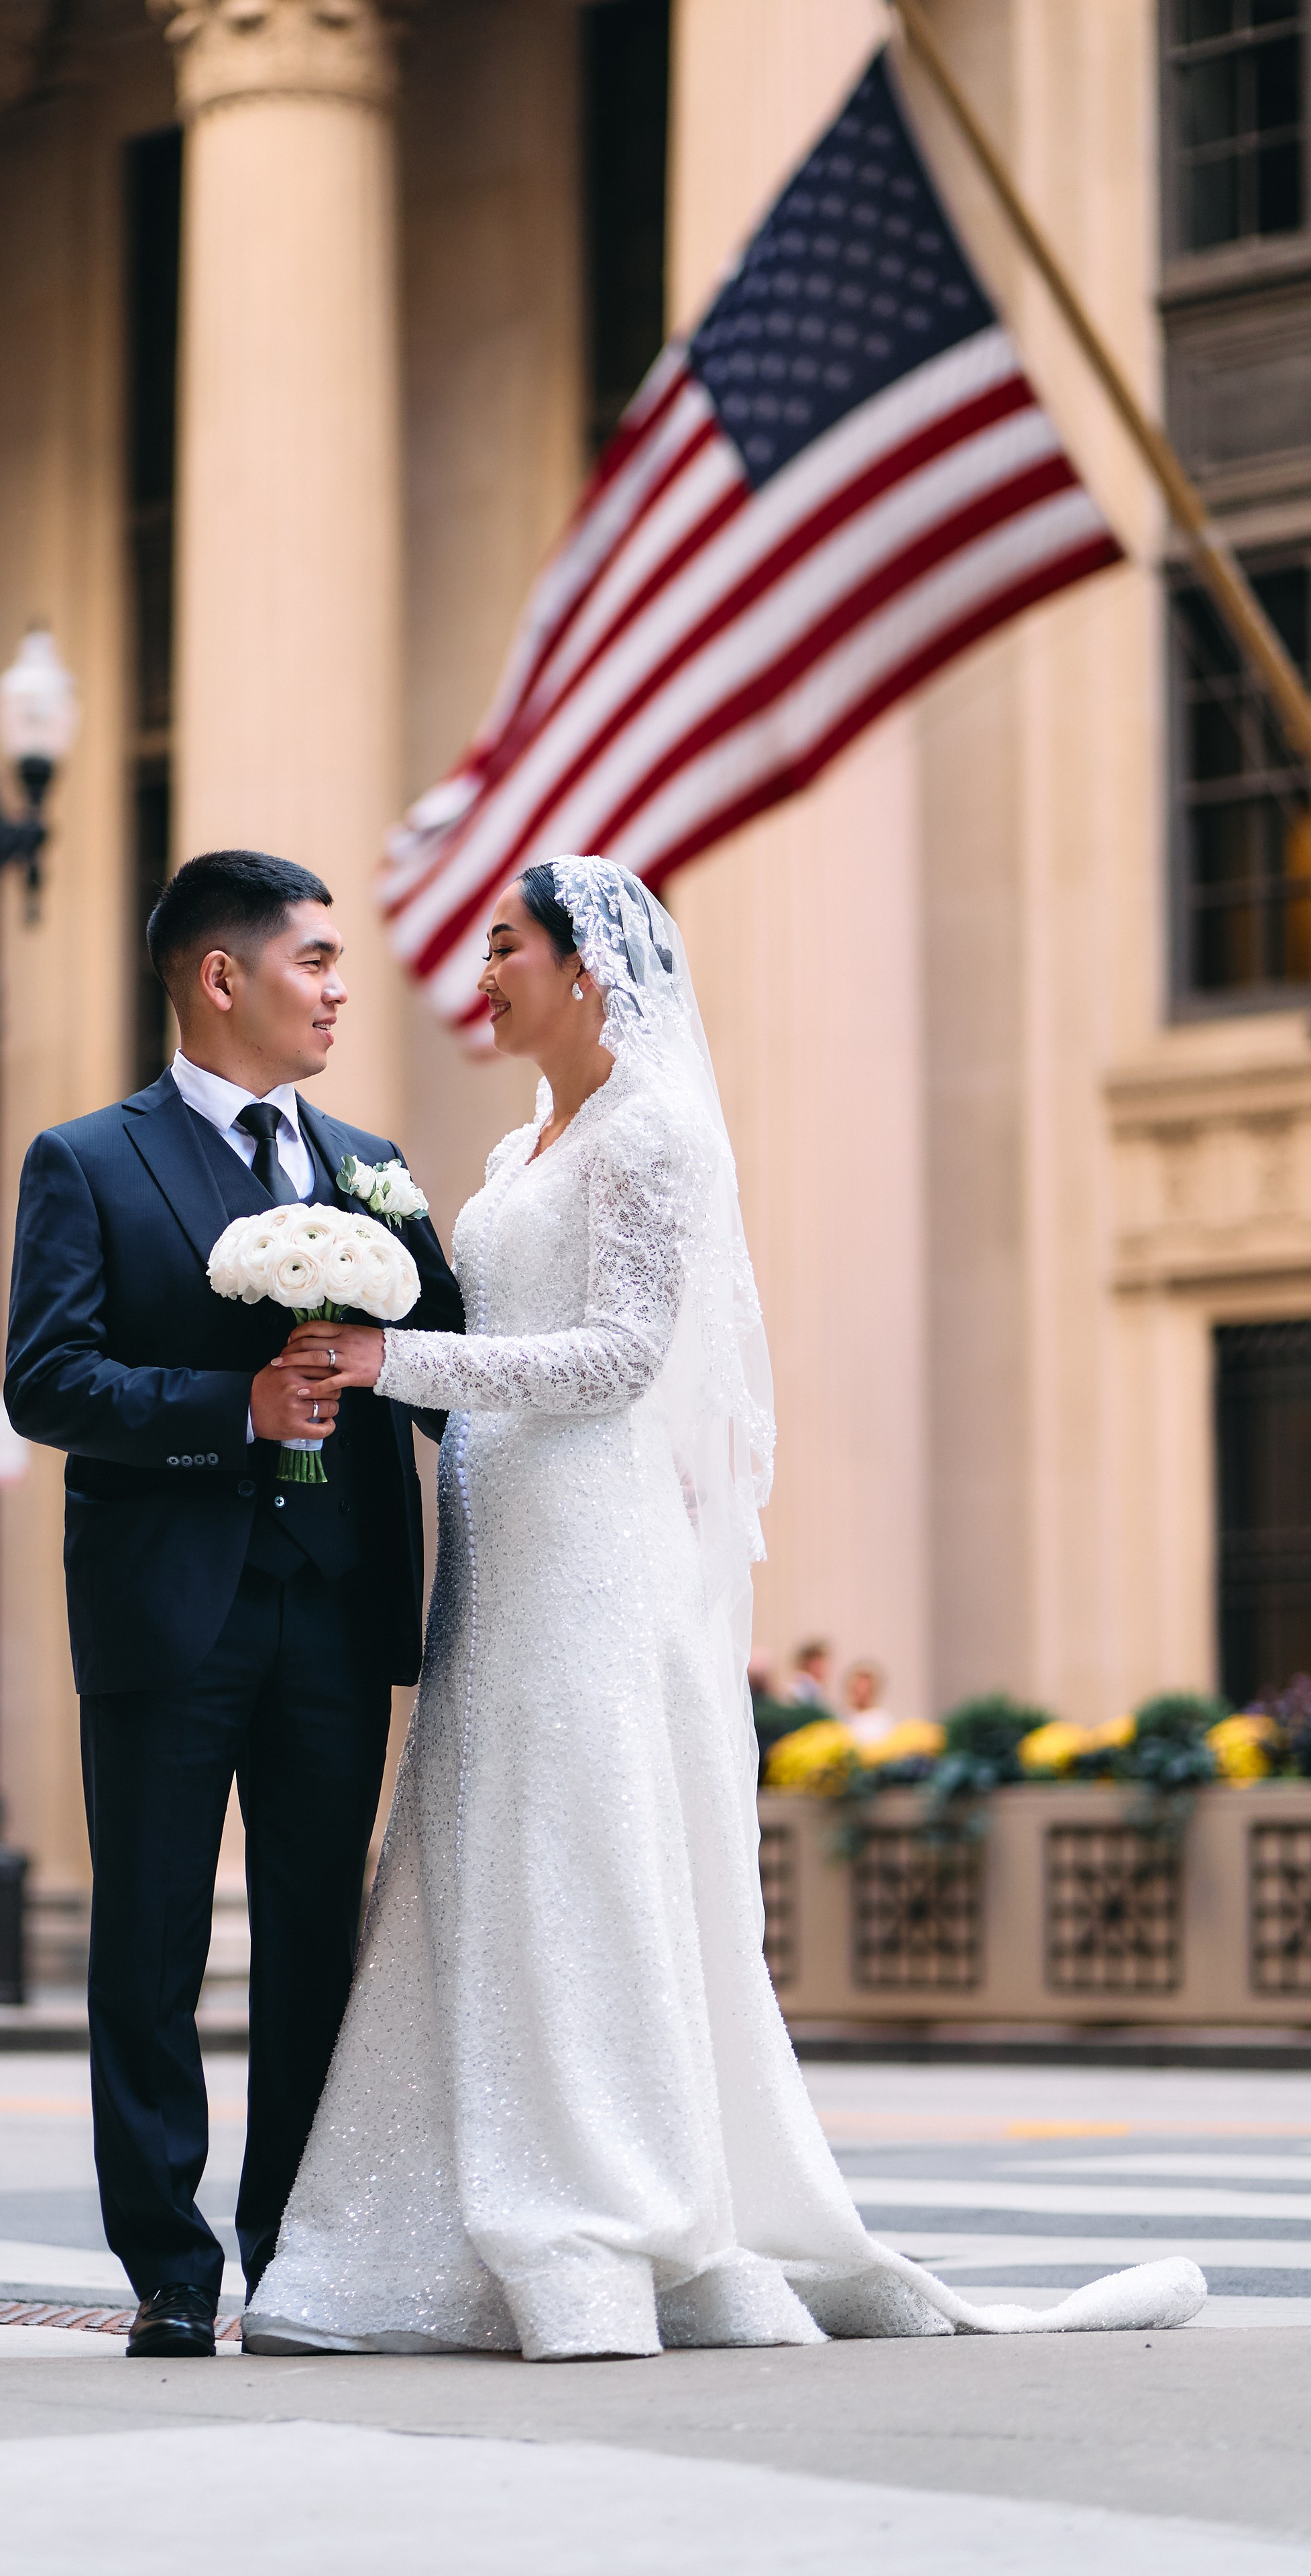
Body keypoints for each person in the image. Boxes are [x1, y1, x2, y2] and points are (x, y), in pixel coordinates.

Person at [245, 854, 1203, 2360]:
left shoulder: (657, 1132)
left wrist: (393, 1362)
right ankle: (430, 2236)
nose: (480, 975)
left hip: (590, 1543)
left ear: (585, 970)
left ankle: (602, 2222)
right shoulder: (514, 1151)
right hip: (494, 1546)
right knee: (484, 1847)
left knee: (580, 1850)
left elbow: (623, 1357)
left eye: (504, 947)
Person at [3, 848, 463, 2361]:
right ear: (221, 977)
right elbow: (47, 1382)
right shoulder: (88, 1161)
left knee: (315, 1943)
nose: (338, 990)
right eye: (313, 961)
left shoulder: (369, 1164)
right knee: (148, 1944)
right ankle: (170, 2266)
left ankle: (296, 2250)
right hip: (167, 1612)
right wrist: (234, 1410)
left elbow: (446, 1365)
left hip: (334, 1608)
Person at [840, 1660, 895, 1750]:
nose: (861, 1692)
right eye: (857, 1688)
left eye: (865, 1689)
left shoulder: (882, 1720)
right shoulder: (842, 1718)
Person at [785, 1640, 834, 1710]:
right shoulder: (799, 1690)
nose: (824, 1668)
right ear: (806, 1663)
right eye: (818, 1663)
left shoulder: (817, 1689)